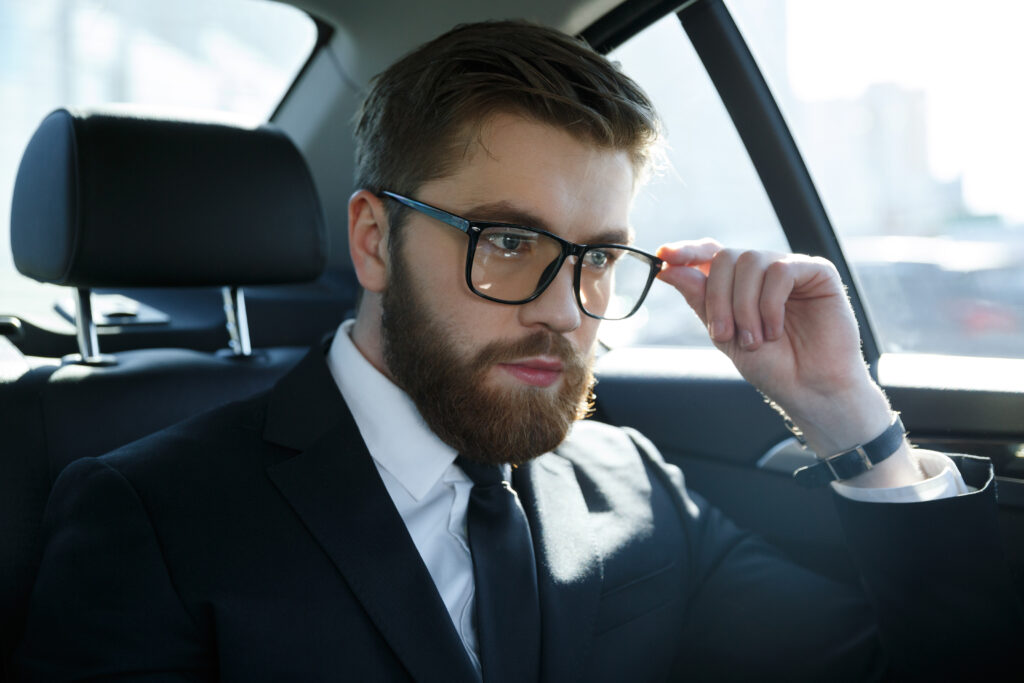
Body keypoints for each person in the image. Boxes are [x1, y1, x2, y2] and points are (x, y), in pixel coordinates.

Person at [18, 19, 1021, 683]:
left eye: (595, 257)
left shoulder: (632, 485)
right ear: (374, 240)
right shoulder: (147, 513)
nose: (565, 309)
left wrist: (849, 413)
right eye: (507, 241)